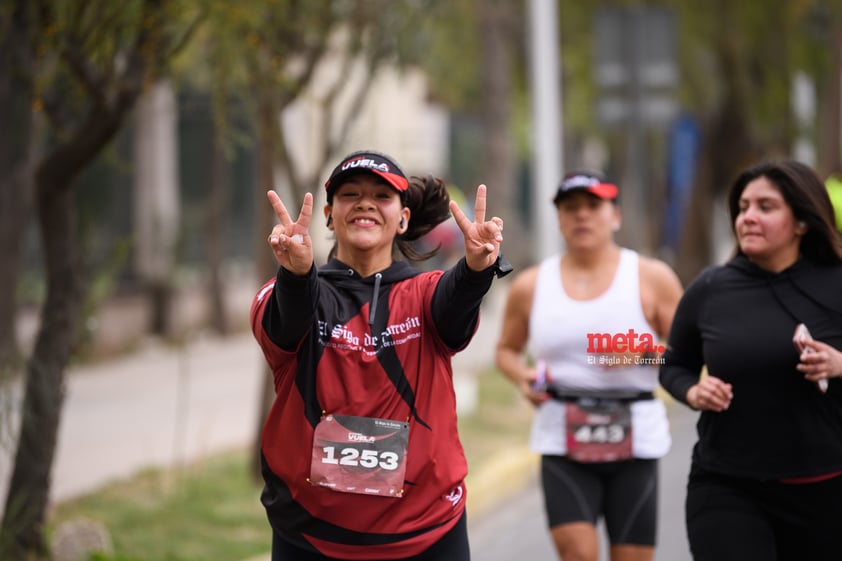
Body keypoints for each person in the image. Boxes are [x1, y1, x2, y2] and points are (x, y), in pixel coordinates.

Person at [250, 149, 512, 561]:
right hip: (310, 536)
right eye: (350, 194)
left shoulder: (425, 294)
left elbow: (453, 303)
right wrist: (296, 276)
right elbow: (285, 324)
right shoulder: (288, 293)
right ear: (328, 216)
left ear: (404, 218)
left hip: (427, 534)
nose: (365, 203)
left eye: (381, 196)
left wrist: (475, 270)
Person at [658, 159, 842, 561]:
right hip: (728, 486)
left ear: (802, 221)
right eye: (743, 208)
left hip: (827, 489)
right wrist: (693, 389)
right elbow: (674, 365)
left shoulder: (836, 283)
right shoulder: (711, 289)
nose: (748, 218)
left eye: (766, 207)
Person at [495, 171, 684, 561]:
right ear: (559, 219)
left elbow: (688, 350)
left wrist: (643, 355)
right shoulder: (531, 284)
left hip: (635, 436)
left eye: (593, 206)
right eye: (570, 208)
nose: (582, 216)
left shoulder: (652, 277)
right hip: (562, 435)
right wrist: (522, 377)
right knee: (577, 554)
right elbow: (506, 351)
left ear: (615, 215)